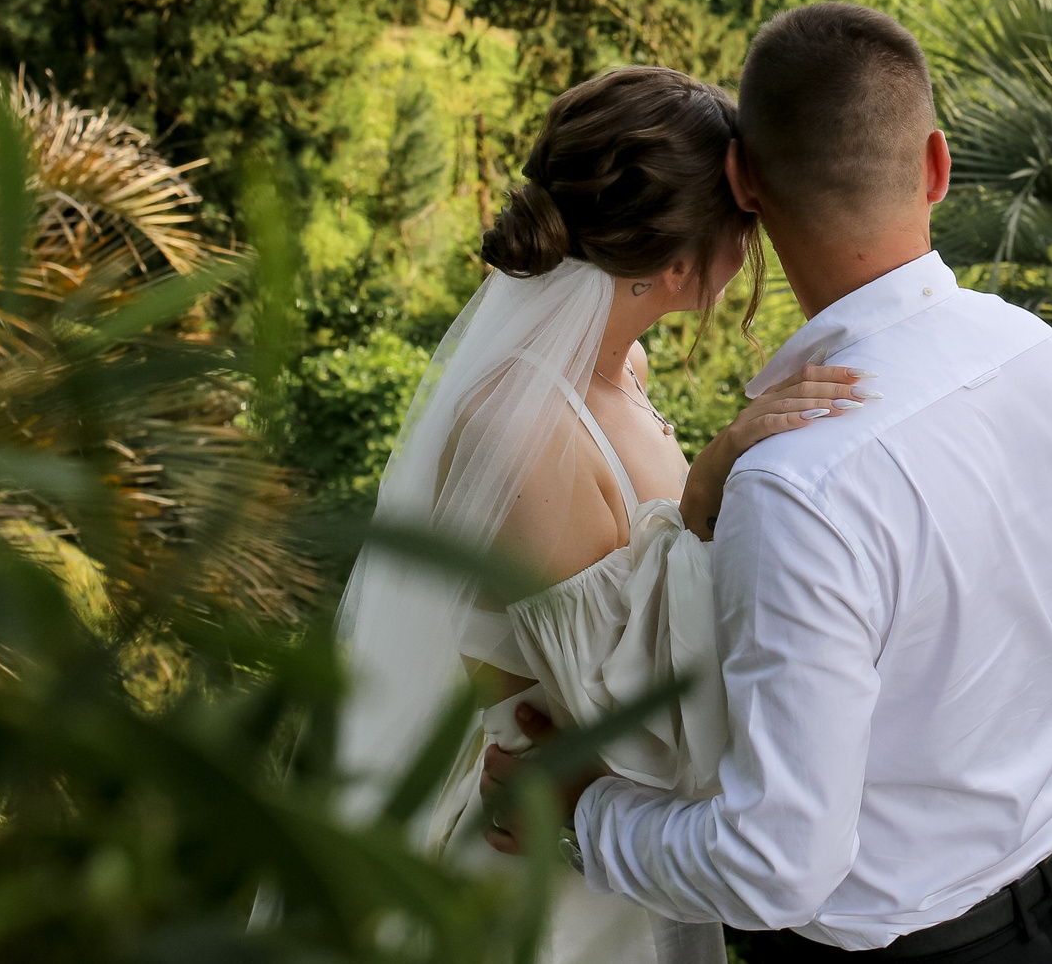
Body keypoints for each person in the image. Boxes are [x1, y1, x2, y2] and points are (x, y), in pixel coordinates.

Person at [488, 3, 1052, 964]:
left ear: (743, 180)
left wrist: (580, 816)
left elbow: (777, 866)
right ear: (938, 165)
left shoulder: (796, 485)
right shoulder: (1042, 358)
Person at [337, 64, 862, 964]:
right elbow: (623, 713)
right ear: (677, 262)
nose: (757, 242)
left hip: (605, 840)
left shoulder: (622, 372)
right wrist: (709, 490)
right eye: (744, 222)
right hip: (539, 878)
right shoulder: (524, 428)